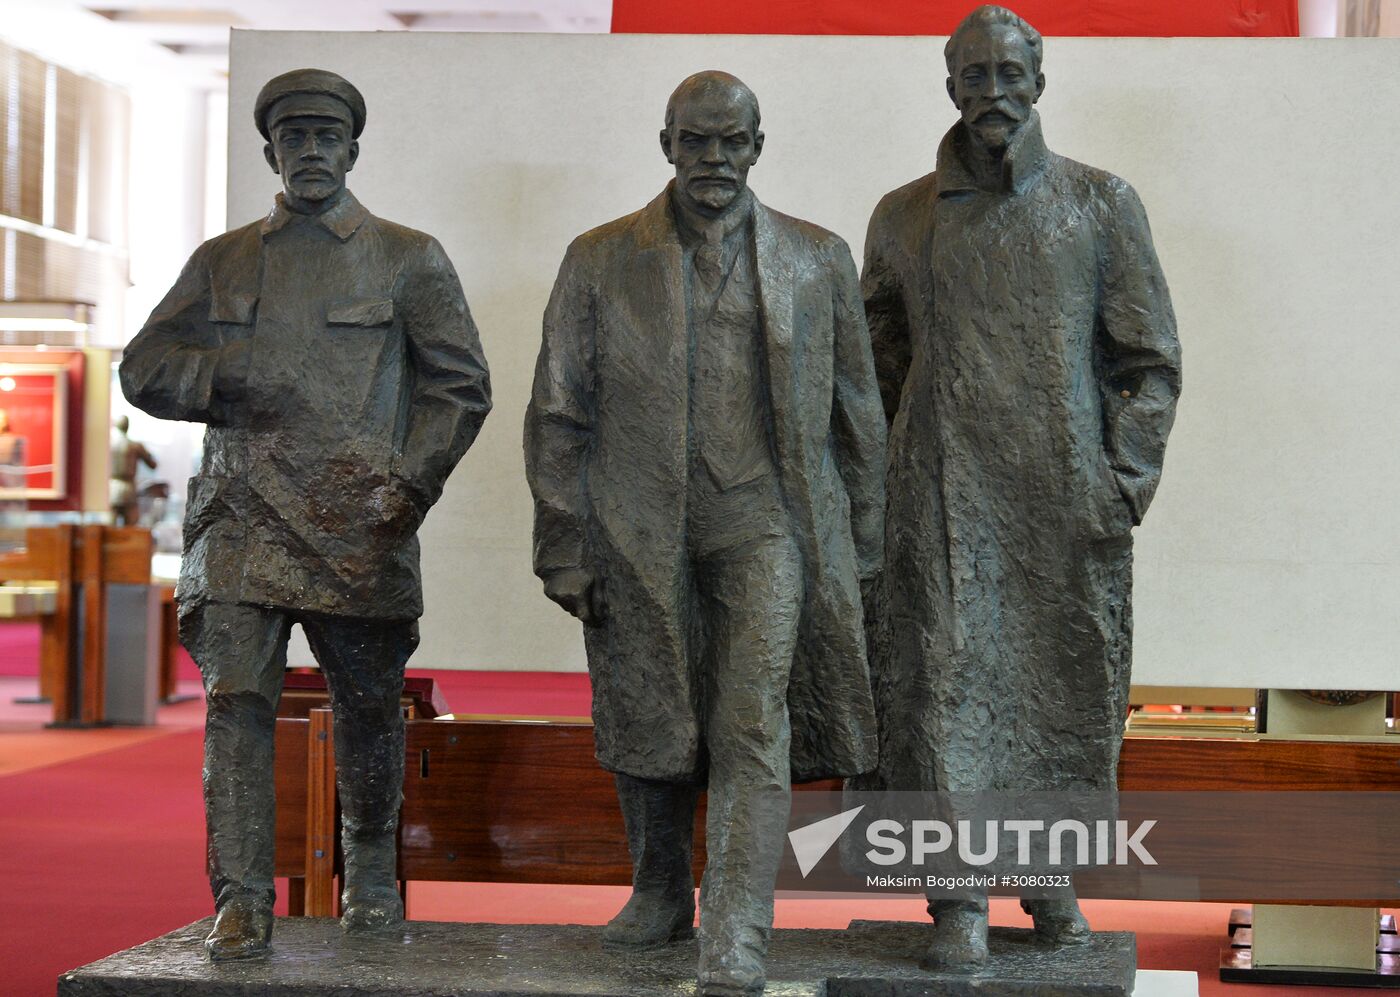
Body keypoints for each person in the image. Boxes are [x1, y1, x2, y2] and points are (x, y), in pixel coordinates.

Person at [525, 71, 885, 996]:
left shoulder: (818, 257)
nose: (714, 159)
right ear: (667, 145)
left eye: (731, 141)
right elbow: (558, 412)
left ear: (758, 146)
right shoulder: (600, 258)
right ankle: (658, 890)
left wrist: (863, 547)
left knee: (752, 718)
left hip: (766, 522)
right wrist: (563, 538)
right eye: (696, 142)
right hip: (637, 523)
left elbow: (858, 417)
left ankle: (737, 925)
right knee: (650, 704)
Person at [120, 68, 491, 961]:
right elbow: (142, 367)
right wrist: (216, 378)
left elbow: (460, 387)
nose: (312, 153)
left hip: (363, 524)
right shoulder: (223, 261)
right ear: (271, 153)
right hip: (240, 518)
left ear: (353, 150)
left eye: (328, 138)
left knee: (367, 705)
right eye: (296, 139)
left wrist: (408, 488)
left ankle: (369, 864)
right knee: (236, 702)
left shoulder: (409, 256)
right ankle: (242, 896)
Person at [858, 5, 1182, 969]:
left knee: (1066, 689)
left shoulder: (1101, 204)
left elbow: (1147, 362)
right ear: (949, 84)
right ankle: (954, 897)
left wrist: (1123, 480)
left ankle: (1048, 878)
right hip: (939, 502)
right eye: (975, 75)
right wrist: (877, 498)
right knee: (941, 694)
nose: (993, 93)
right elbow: (875, 372)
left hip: (1065, 505)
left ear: (1039, 80)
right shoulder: (901, 215)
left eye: (1010, 72)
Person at [110, 415, 158, 526]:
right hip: (129, 488)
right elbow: (152, 464)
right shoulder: (135, 445)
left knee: (111, 527)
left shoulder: (109, 444)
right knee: (131, 528)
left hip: (112, 487)